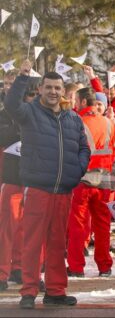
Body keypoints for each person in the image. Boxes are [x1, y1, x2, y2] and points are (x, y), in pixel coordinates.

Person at [5, 61, 90, 309]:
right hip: (38, 189)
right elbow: (11, 105)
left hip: (63, 191)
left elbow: (84, 147)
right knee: (32, 243)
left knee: (57, 244)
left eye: (57, 88)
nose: (53, 92)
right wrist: (22, 78)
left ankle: (56, 291)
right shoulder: (29, 112)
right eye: (49, 87)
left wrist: (77, 170)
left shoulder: (73, 118)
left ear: (63, 91)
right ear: (40, 89)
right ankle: (29, 292)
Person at [66, 87, 115, 278]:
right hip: (104, 181)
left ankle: (76, 267)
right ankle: (105, 266)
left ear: (82, 102)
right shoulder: (109, 123)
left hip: (82, 180)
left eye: (76, 101)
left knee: (78, 224)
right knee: (103, 225)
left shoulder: (76, 122)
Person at [0, 73, 34, 291]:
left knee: (25, 227)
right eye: (6, 84)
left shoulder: (33, 112)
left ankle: (19, 267)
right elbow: (4, 137)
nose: (9, 87)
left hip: (31, 179)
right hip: (10, 177)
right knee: (6, 228)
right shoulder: (3, 115)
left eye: (13, 84)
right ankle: (2, 272)